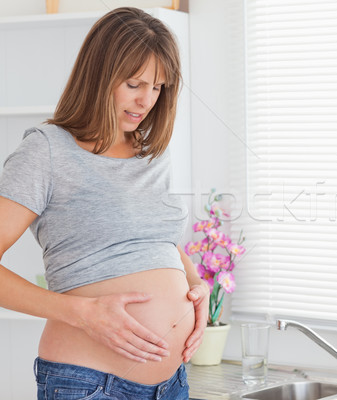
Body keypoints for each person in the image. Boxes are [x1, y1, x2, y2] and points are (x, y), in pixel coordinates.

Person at [0, 7, 209, 400]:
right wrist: (82, 313)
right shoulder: (45, 151)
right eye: (135, 83)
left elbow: (155, 242)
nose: (147, 99)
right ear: (99, 75)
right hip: (89, 383)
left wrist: (196, 284)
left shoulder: (150, 153)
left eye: (159, 87)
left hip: (173, 384)